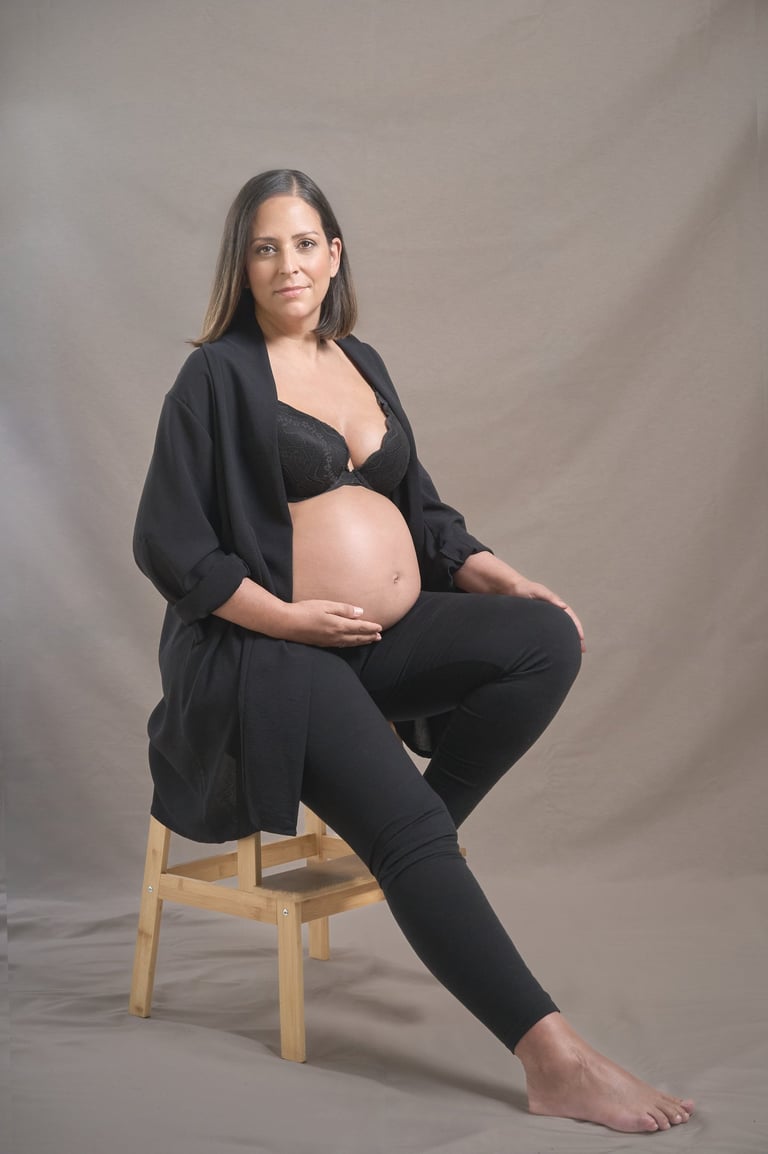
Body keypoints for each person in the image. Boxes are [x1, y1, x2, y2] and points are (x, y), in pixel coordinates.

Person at [133, 169, 693, 1133]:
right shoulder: (216, 376)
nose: (287, 263)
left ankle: (408, 838)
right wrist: (292, 620)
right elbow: (170, 543)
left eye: (305, 243)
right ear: (243, 264)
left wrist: (507, 578)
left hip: (370, 642)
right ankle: (551, 1056)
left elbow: (425, 519)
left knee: (543, 640)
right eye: (266, 247)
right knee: (416, 839)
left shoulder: (362, 361)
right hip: (267, 654)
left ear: (334, 253)